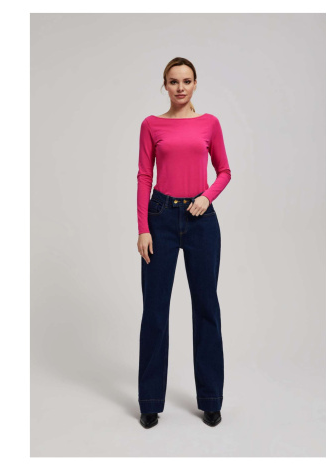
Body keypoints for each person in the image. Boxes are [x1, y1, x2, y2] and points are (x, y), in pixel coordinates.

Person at [136, 57, 231, 429]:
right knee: (155, 310)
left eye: (186, 81)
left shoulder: (210, 124)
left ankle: (211, 399)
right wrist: (143, 228)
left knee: (206, 308)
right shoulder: (151, 125)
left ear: (195, 84)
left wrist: (207, 197)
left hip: (200, 219)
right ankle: (149, 402)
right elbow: (144, 175)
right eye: (173, 81)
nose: (180, 87)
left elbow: (224, 171)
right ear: (165, 85)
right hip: (160, 217)